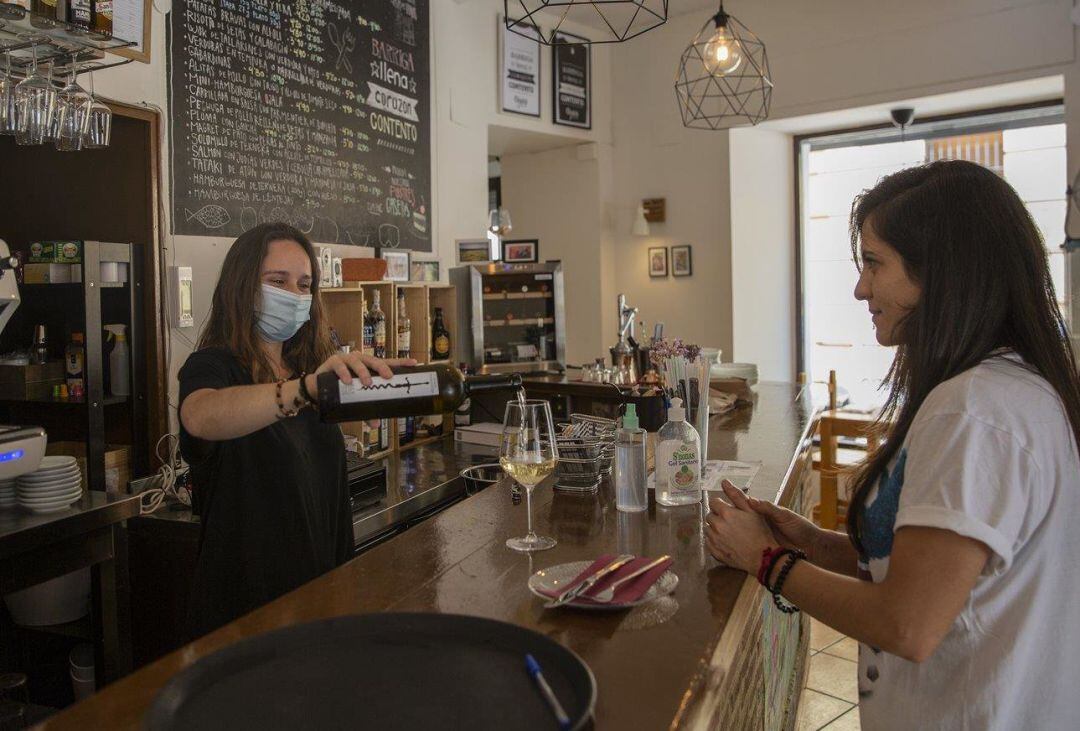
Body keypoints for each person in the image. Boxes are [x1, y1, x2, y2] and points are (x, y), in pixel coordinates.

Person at [705, 160, 1080, 729]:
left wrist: (767, 560)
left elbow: (908, 621)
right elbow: (933, 570)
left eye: (875, 264)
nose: (860, 288)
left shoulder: (975, 411)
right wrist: (809, 542)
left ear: (942, 273)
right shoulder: (1002, 389)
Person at [178, 222, 412, 637]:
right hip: (247, 617)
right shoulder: (214, 366)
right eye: (277, 281)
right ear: (243, 286)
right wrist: (303, 390)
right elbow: (200, 416)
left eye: (305, 285)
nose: (295, 295)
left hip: (319, 601)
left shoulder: (308, 370)